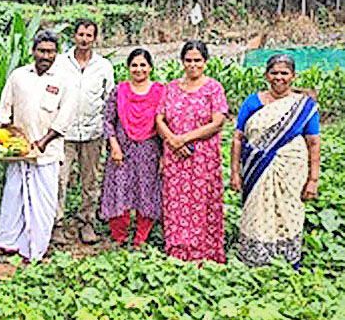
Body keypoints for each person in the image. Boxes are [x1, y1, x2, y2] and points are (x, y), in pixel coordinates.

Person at [0, 30, 78, 262]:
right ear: (33, 51)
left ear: (57, 53)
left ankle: (34, 249)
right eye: (42, 50)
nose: (46, 55)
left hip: (47, 152)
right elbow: (5, 108)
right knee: (13, 196)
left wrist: (43, 142)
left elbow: (65, 118)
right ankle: (7, 243)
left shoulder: (65, 81)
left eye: (51, 51)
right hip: (19, 148)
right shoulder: (19, 76)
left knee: (43, 202)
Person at [230, 54, 320, 267]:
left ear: (293, 76)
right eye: (274, 73)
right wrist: (234, 172)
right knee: (256, 211)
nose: (279, 78)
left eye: (284, 73)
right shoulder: (253, 102)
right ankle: (255, 259)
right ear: (266, 75)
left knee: (288, 211)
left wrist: (313, 179)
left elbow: (313, 143)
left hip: (291, 171)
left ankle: (287, 260)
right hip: (256, 168)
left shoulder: (303, 106)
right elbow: (237, 138)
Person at [156, 40, 228, 263]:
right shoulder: (171, 88)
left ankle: (204, 253)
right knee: (176, 202)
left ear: (205, 62)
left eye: (197, 60)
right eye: (188, 60)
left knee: (201, 202)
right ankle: (178, 250)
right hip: (174, 157)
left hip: (202, 157)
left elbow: (218, 122)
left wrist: (184, 138)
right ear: (182, 62)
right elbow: (159, 118)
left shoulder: (213, 88)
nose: (193, 64)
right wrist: (172, 140)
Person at [52, 19, 116, 245]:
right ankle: (57, 223)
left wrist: (109, 133)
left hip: (93, 132)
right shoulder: (59, 63)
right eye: (81, 34)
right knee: (59, 179)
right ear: (74, 36)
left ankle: (86, 221)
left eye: (89, 35)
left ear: (95, 38)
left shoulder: (104, 66)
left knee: (91, 180)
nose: (84, 39)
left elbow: (109, 100)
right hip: (63, 133)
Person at [101, 49, 164, 248]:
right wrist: (114, 145)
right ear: (128, 68)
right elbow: (107, 120)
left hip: (149, 149)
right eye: (134, 65)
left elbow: (166, 123)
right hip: (122, 149)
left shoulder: (160, 92)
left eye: (143, 65)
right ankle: (119, 236)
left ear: (150, 68)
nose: (139, 69)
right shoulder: (119, 91)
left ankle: (140, 239)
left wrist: (164, 155)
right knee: (119, 189)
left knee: (146, 190)